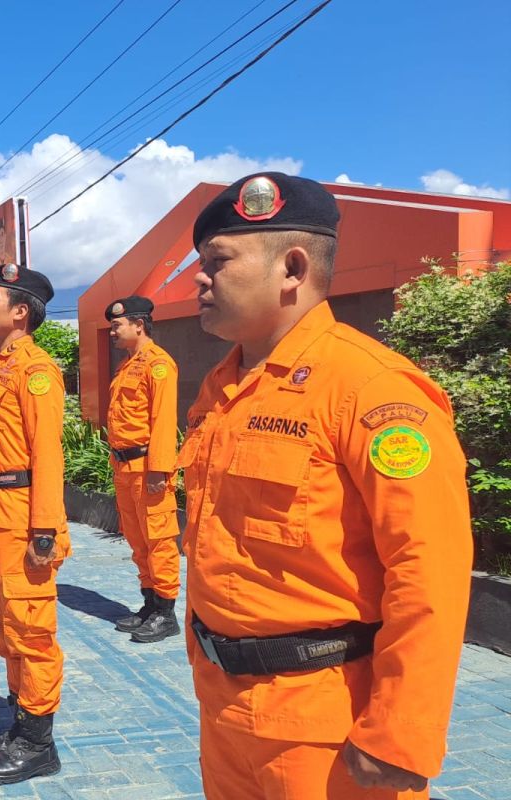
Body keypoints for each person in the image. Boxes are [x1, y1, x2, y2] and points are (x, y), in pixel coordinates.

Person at [182, 172, 472, 799]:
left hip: (327, 725)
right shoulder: (224, 388)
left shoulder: (371, 388)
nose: (198, 279)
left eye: (217, 261)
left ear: (291, 267)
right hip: (224, 706)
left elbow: (430, 569)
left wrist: (399, 733)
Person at [0, 264, 68, 784]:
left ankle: (38, 742)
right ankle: (19, 720)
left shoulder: (36, 370)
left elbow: (48, 454)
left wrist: (46, 529)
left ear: (20, 312)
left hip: (23, 514)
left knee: (31, 628)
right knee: (3, 624)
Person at [103, 295, 181, 643]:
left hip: (147, 468)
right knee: (138, 541)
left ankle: (166, 613)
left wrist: (158, 471)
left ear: (139, 324)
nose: (112, 332)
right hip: (124, 468)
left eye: (117, 326)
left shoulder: (158, 364)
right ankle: (149, 604)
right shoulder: (126, 366)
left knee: (158, 540)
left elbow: (163, 421)